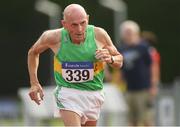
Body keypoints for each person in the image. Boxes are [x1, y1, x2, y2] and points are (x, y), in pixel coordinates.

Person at [27, 4, 123, 126]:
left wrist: (110, 59)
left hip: (94, 93)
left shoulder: (99, 35)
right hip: (68, 93)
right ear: (64, 24)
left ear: (87, 19)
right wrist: (34, 83)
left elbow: (119, 60)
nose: (79, 29)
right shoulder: (53, 37)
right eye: (74, 25)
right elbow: (33, 52)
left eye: (83, 23)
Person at [118, 20, 154, 126]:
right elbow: (121, 68)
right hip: (129, 88)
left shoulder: (143, 47)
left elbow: (152, 65)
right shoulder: (122, 48)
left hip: (143, 88)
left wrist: (153, 84)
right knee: (131, 120)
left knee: (146, 119)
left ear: (136, 33)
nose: (128, 35)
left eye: (130, 32)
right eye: (126, 33)